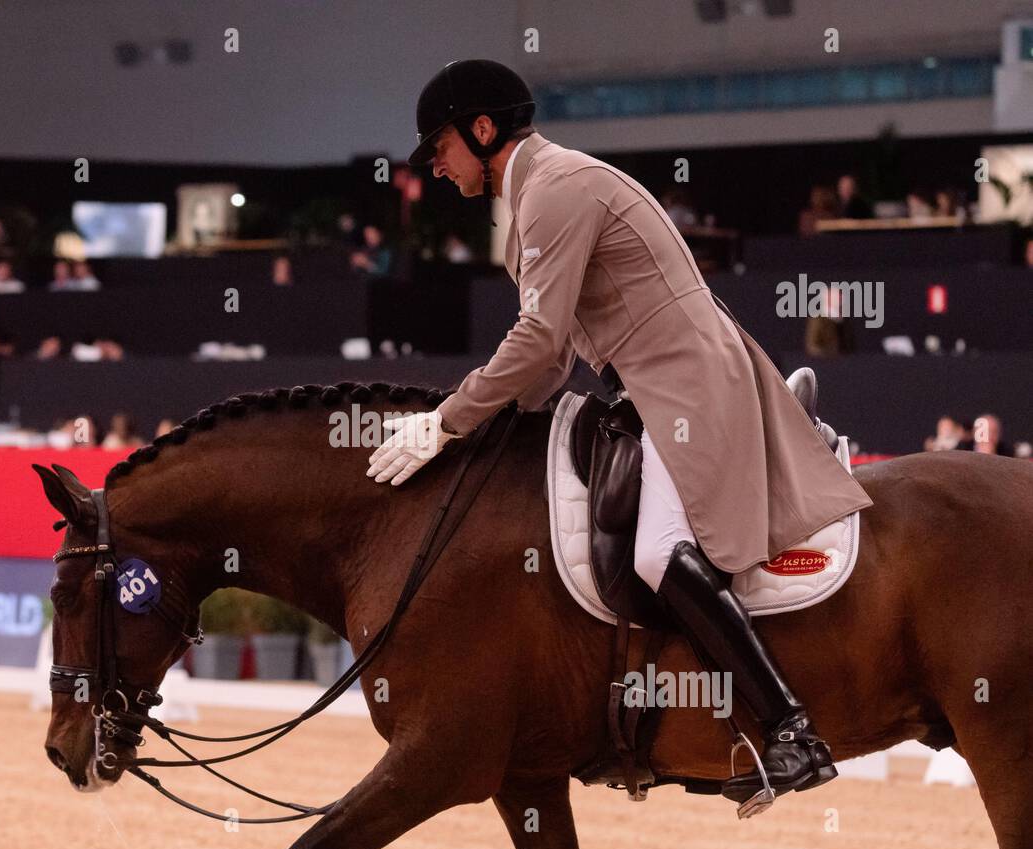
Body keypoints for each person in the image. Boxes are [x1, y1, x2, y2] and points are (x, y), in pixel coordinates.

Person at [368, 58, 874, 807]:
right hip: (653, 381)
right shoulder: (538, 198)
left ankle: (789, 729)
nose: (436, 165)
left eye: (439, 146)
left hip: (685, 381)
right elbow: (554, 361)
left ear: (483, 129)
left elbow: (539, 340)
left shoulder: (555, 190)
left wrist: (447, 420)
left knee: (658, 553)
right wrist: (477, 435)